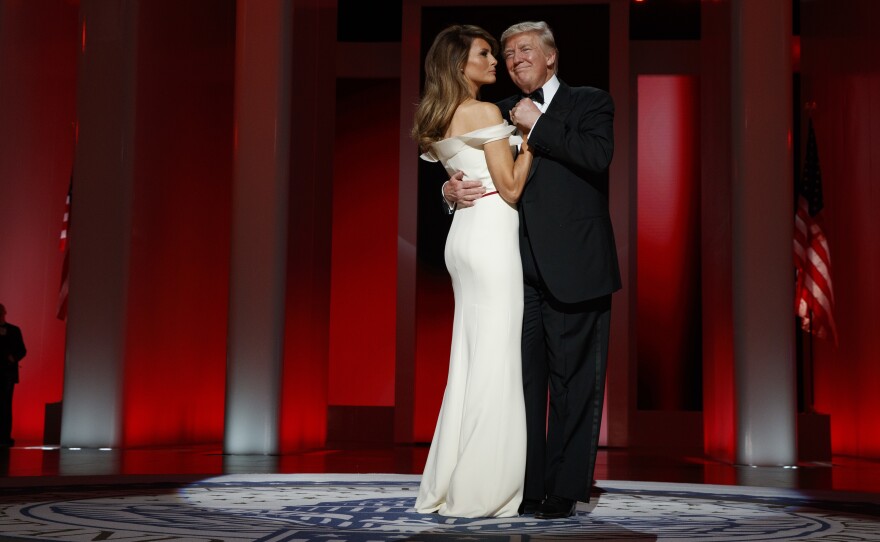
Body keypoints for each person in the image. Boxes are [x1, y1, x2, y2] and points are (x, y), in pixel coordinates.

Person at [443, 20, 620, 519]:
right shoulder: (492, 112)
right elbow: (463, 169)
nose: (514, 56)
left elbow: (598, 155)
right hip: (512, 270)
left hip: (576, 265)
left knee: (572, 383)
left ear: (551, 57)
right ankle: (524, 485)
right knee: (519, 383)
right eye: (507, 50)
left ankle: (563, 489)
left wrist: (539, 124)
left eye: (525, 48)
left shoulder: (589, 102)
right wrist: (447, 192)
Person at [412, 24, 535, 518]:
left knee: (467, 362)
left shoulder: (439, 115)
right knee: (495, 361)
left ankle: (451, 479)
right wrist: (530, 141)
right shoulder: (484, 111)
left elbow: (457, 180)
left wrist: (447, 191)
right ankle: (482, 488)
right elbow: (509, 188)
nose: (495, 62)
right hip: (489, 239)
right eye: (485, 54)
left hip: (462, 238)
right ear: (459, 64)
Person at [0, 303, 26, 448]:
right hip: (6, 372)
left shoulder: (14, 330)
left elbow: (22, 350)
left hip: (7, 373)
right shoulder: (14, 330)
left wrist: (13, 358)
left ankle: (4, 436)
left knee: (5, 405)